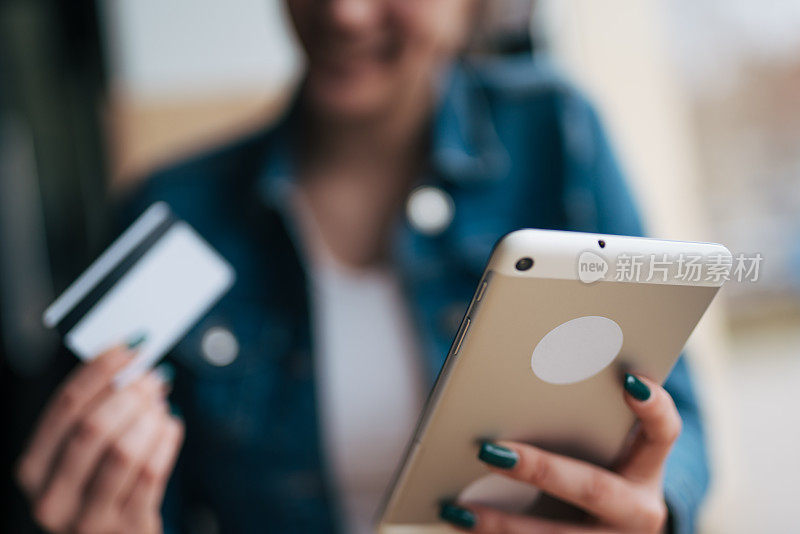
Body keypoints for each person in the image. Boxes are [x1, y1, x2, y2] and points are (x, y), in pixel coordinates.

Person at [16, 0, 709, 532]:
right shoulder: (171, 208)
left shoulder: (558, 133)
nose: (343, 12)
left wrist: (649, 505)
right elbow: (123, 497)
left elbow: (682, 425)